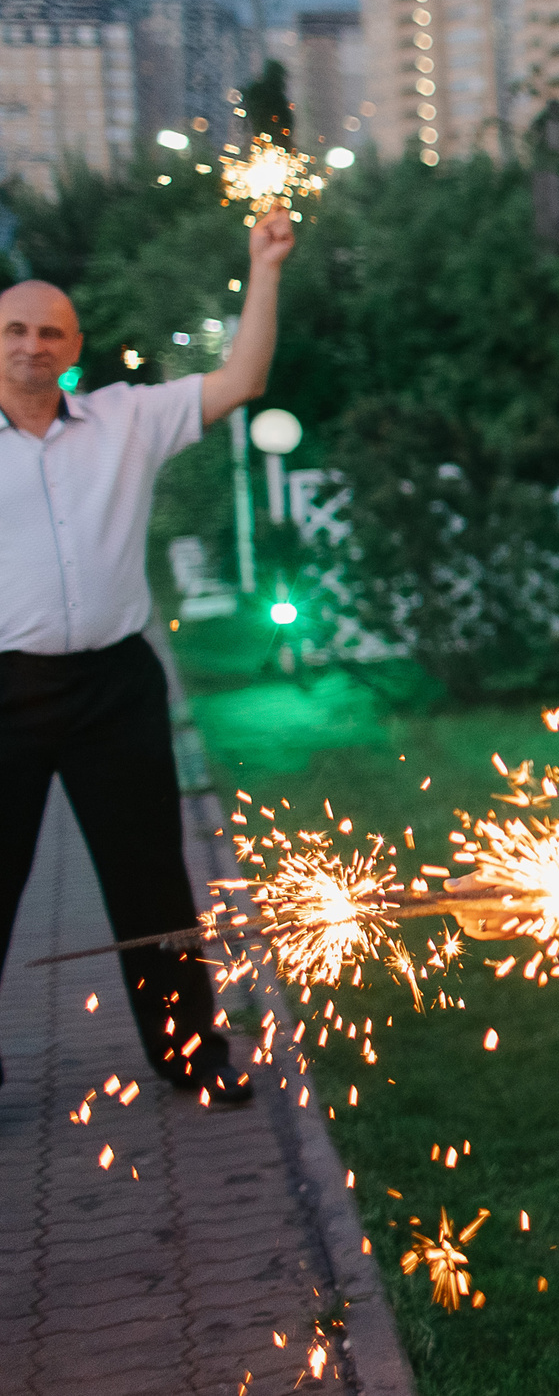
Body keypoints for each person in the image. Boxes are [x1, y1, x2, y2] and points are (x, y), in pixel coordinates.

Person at [0, 209, 296, 1105]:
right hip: (6, 689)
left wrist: (266, 264)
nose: (31, 345)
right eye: (14, 329)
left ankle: (192, 1055)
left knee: (154, 888)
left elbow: (242, 377)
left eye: (50, 331)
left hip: (115, 687)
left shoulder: (125, 420)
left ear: (74, 344)